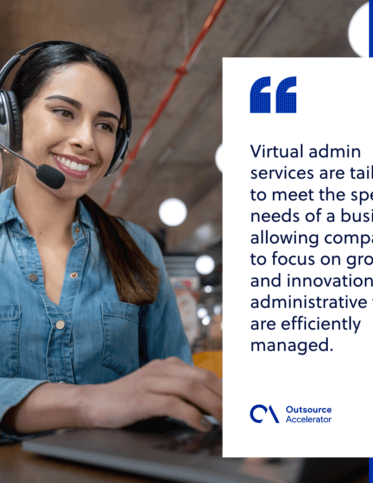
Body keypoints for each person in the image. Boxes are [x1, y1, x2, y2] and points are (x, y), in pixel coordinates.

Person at [0, 42, 222, 445]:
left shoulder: (138, 248)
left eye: (104, 125)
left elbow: (172, 387)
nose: (86, 140)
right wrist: (88, 402)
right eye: (64, 112)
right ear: (9, 119)